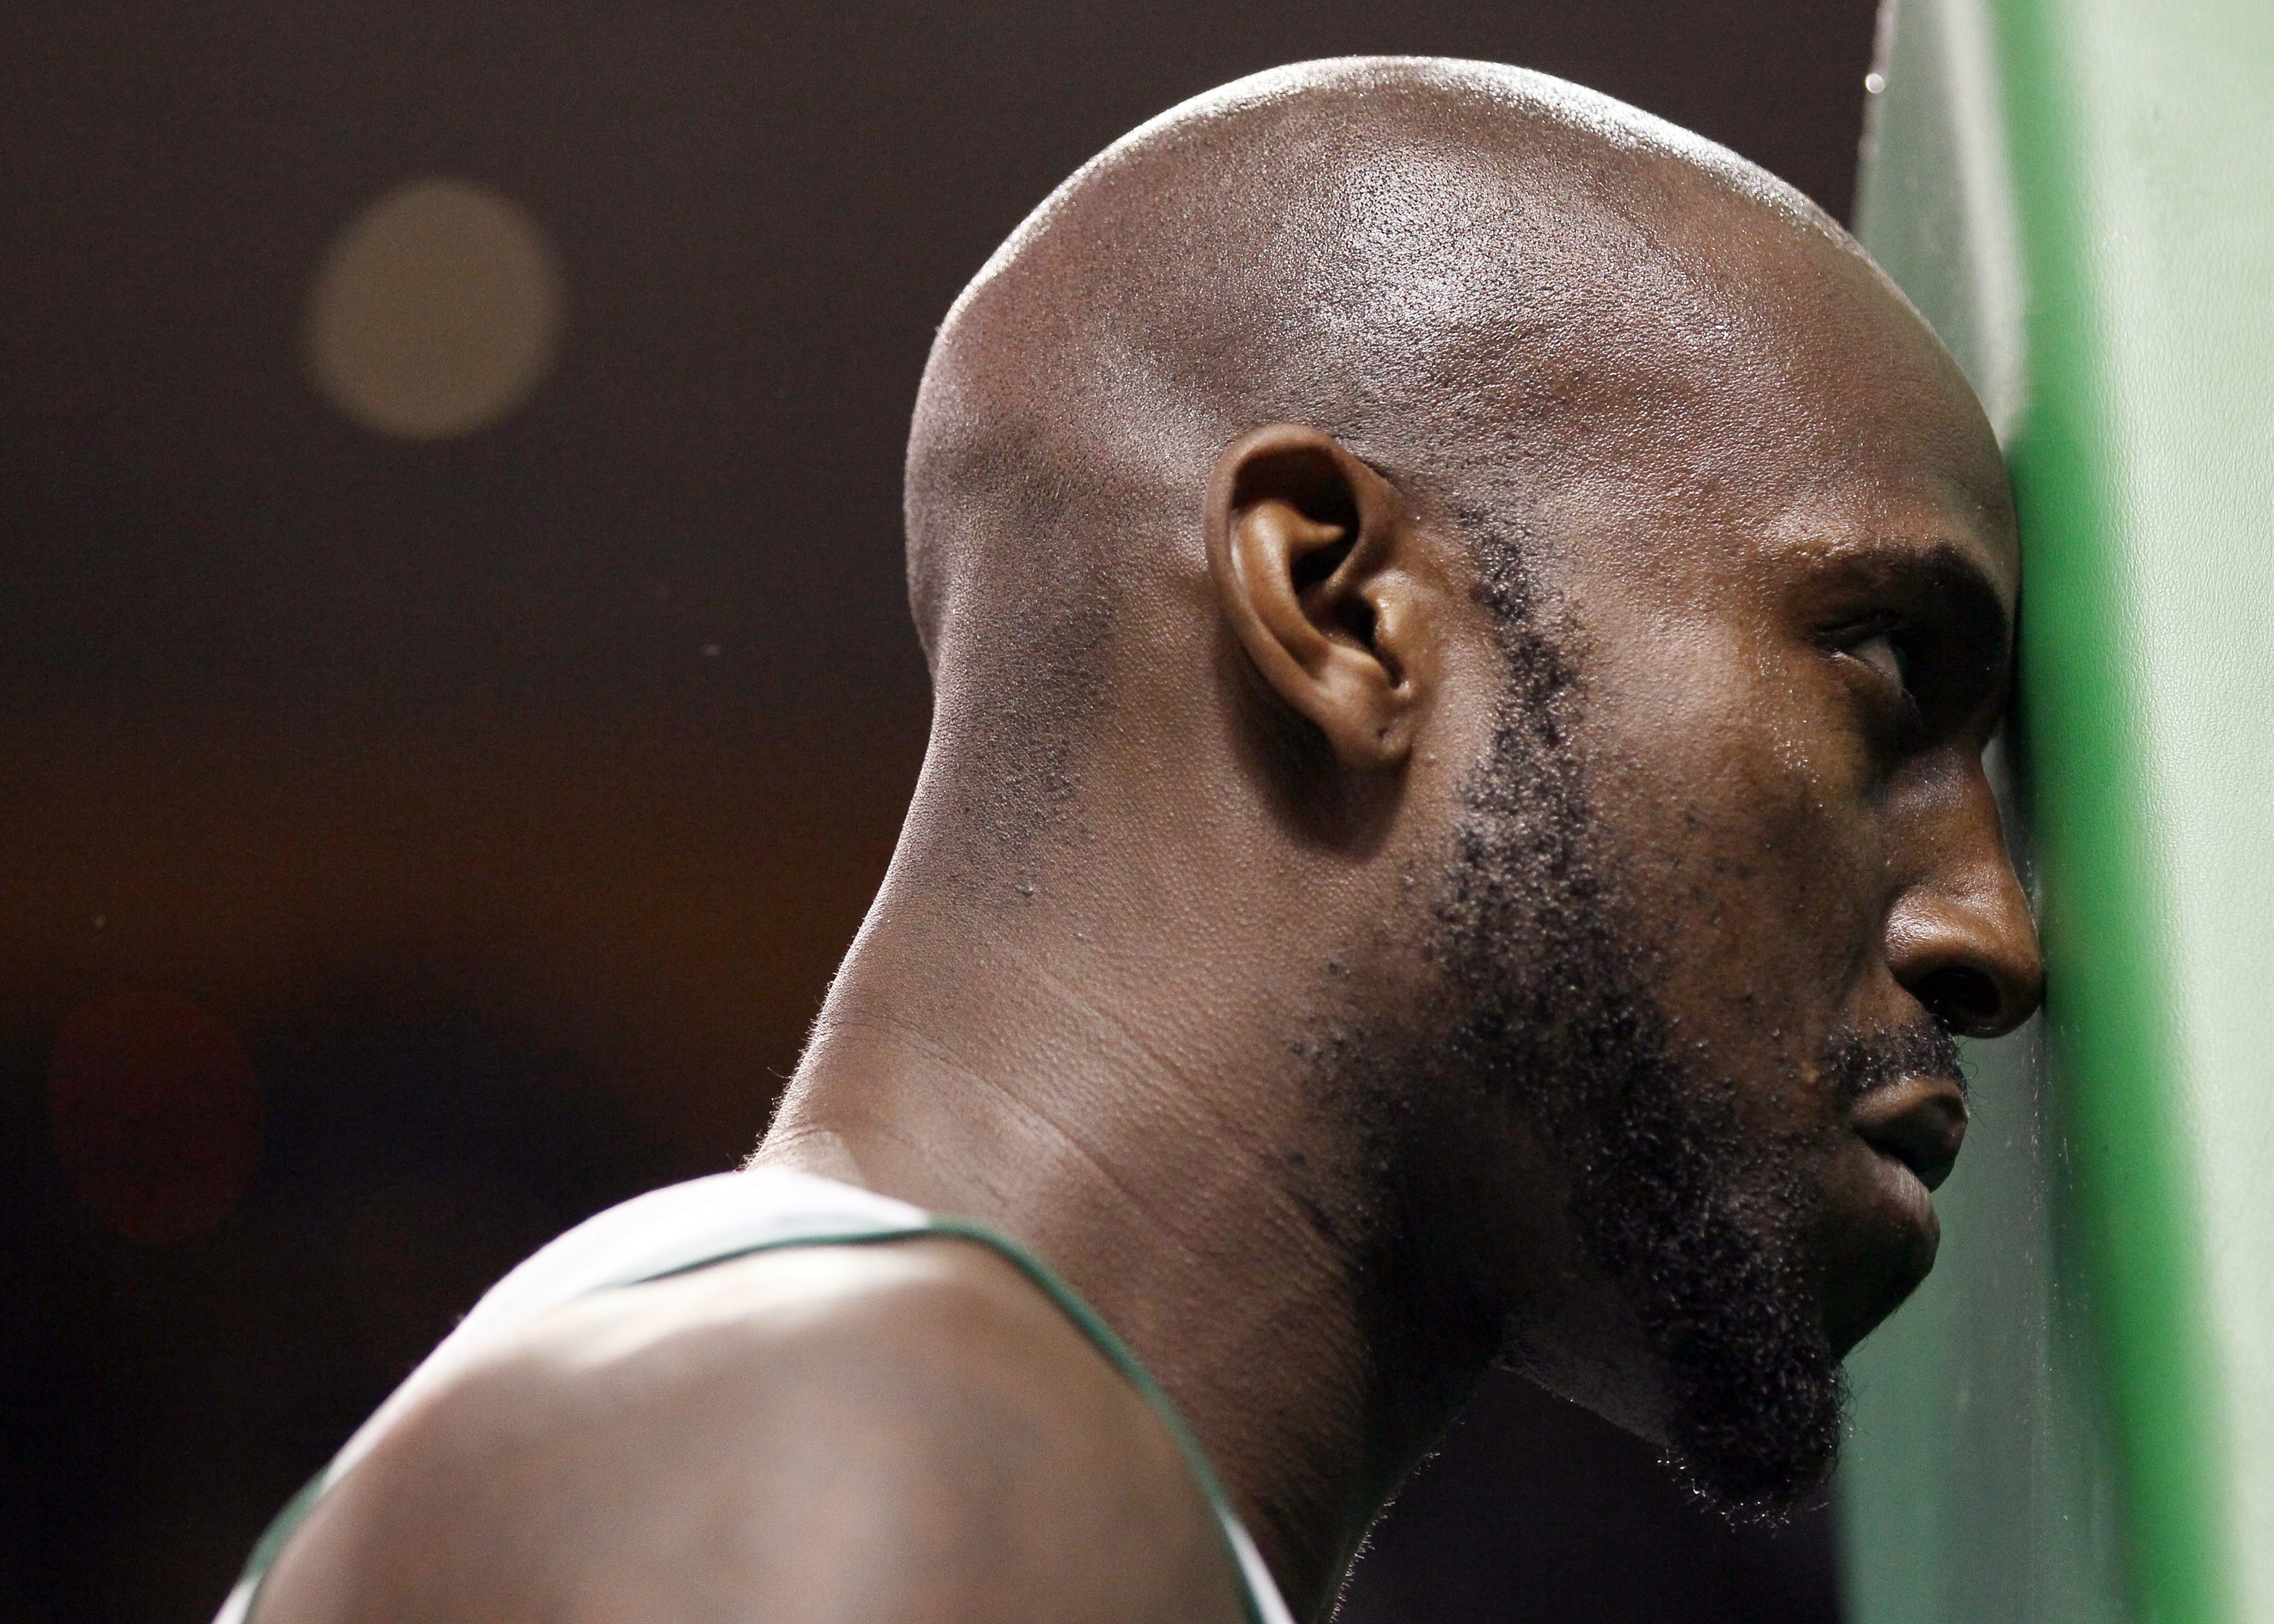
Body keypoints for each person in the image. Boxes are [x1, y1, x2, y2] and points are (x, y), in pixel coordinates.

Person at [230, 56, 2041, 1624]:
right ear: (1340, 607)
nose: (1994, 934)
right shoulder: (858, 1446)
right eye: (1887, 668)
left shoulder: (920, 1455)